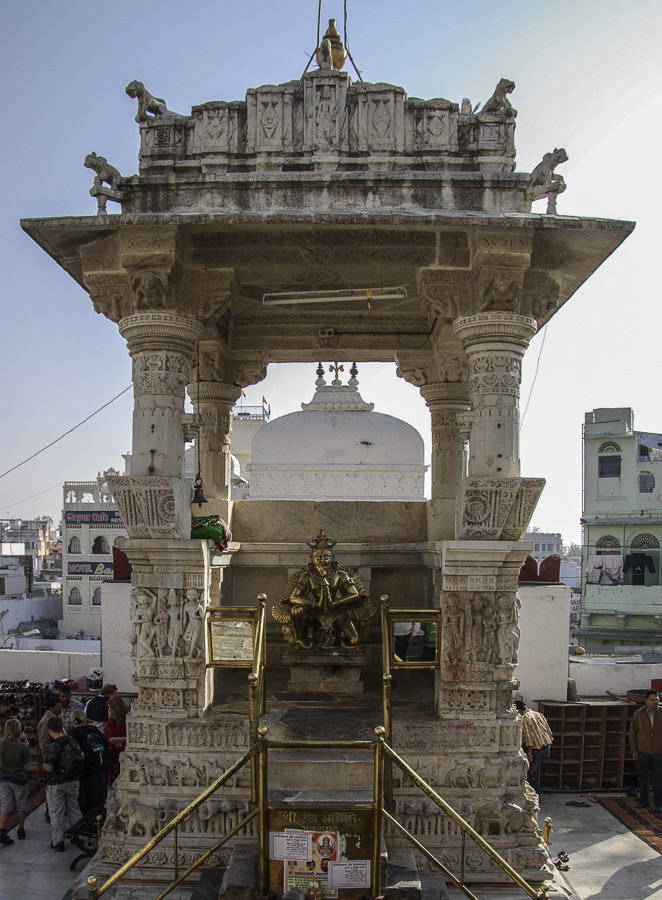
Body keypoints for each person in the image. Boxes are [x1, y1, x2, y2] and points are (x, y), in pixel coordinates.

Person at [42, 716, 83, 851]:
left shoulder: (53, 745)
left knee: (57, 812)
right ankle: (78, 837)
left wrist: (44, 766)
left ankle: (57, 841)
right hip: (73, 780)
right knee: (74, 808)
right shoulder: (71, 740)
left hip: (56, 783)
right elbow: (81, 755)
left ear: (50, 731)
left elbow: (49, 767)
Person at [629, 690, 662, 810]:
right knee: (644, 777)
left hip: (659, 751)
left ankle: (659, 802)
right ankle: (643, 801)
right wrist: (634, 750)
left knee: (659, 778)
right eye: (652, 700)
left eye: (657, 700)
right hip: (643, 750)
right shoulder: (639, 714)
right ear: (646, 701)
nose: (655, 702)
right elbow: (633, 733)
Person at [70, 712, 109, 813]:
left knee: (85, 798)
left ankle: (87, 822)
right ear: (85, 719)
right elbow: (105, 743)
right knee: (99, 797)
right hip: (100, 768)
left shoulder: (73, 734)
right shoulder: (94, 729)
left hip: (85, 771)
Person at [0, 718, 30, 844]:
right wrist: (24, 741)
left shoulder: (1, 742)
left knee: (5, 805)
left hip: (3, 777)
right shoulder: (22, 746)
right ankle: (21, 829)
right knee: (21, 804)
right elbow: (26, 761)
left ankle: (2, 830)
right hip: (18, 777)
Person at [515, 700, 554, 794]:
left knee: (531, 773)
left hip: (536, 750)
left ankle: (536, 795)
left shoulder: (525, 718)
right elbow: (548, 730)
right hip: (545, 746)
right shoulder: (538, 714)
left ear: (519, 710)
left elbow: (529, 738)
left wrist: (529, 753)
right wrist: (549, 747)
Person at [105, 697, 127, 786]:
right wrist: (113, 741)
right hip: (113, 754)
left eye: (111, 709)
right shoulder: (111, 721)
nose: (110, 711)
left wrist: (118, 740)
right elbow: (107, 737)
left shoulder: (127, 719)